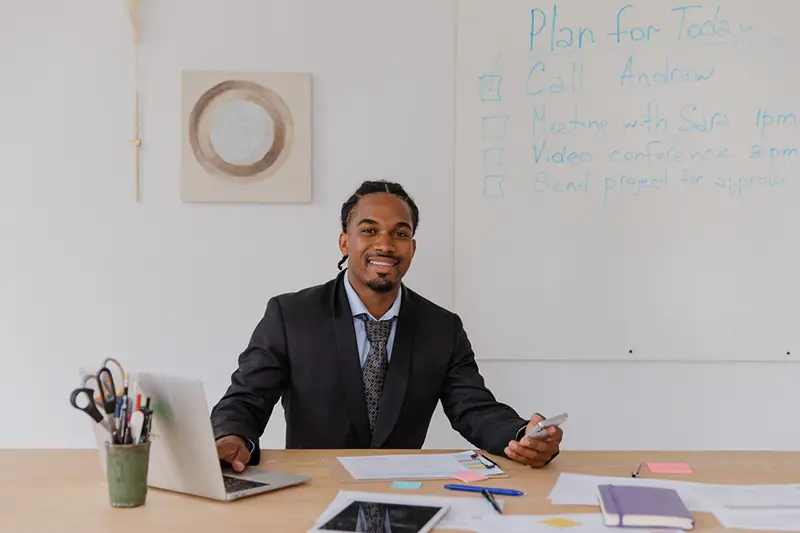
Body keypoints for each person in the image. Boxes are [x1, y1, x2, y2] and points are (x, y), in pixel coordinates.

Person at [210, 180, 563, 473]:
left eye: (399, 233)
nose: (384, 244)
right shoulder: (290, 315)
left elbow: (473, 408)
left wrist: (524, 435)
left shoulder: (442, 328)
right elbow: (246, 399)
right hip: (314, 488)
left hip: (402, 492)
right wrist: (230, 437)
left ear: (412, 246)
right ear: (345, 242)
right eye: (369, 230)